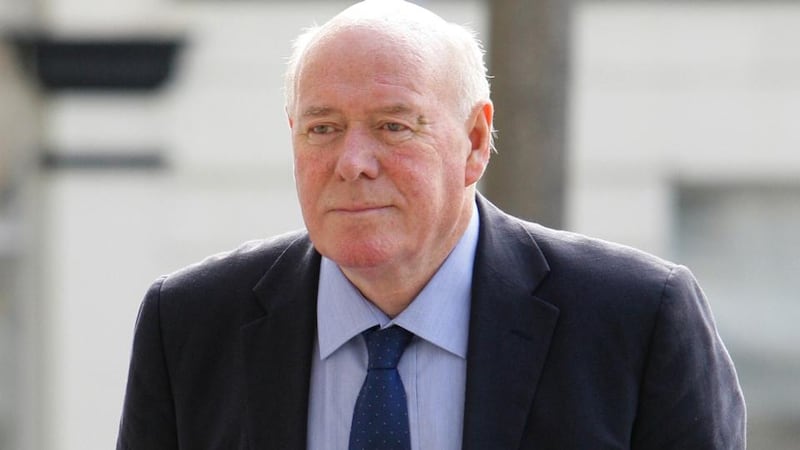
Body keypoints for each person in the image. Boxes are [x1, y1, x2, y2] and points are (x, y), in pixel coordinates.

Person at [116, 1, 746, 449]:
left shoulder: (635, 319)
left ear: (475, 141)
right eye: (323, 129)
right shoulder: (192, 325)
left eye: (394, 125)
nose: (352, 163)